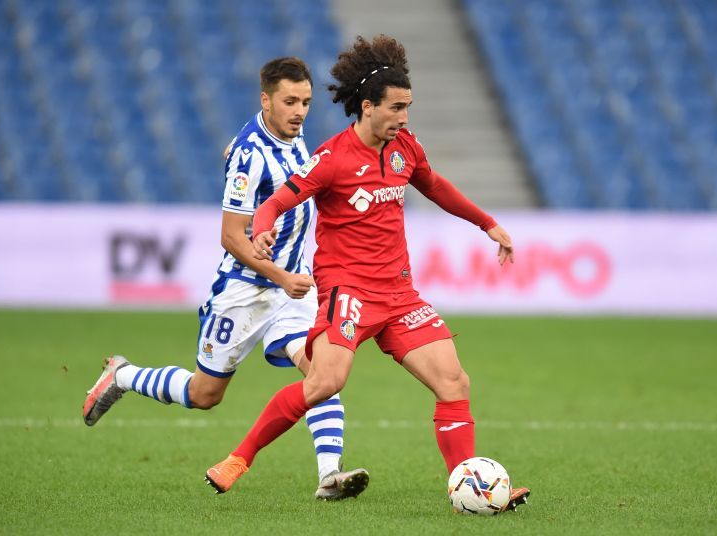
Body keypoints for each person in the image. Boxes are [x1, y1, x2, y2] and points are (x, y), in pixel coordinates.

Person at [204, 36, 530, 512]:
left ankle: (470, 486)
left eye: (408, 108)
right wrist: (264, 229)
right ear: (368, 106)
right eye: (397, 108)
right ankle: (239, 458)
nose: (404, 118)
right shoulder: (332, 159)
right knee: (323, 384)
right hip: (348, 291)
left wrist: (489, 224)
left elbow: (435, 185)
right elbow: (276, 201)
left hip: (399, 293)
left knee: (454, 383)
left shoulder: (405, 148)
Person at [82, 57, 369, 501]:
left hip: (291, 292)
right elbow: (231, 237)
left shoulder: (290, 137)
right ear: (266, 100)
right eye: (290, 101)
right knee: (204, 394)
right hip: (243, 293)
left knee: (322, 373)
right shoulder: (249, 155)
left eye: (306, 102)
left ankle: (330, 475)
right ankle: (122, 376)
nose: (299, 111)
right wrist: (279, 273)